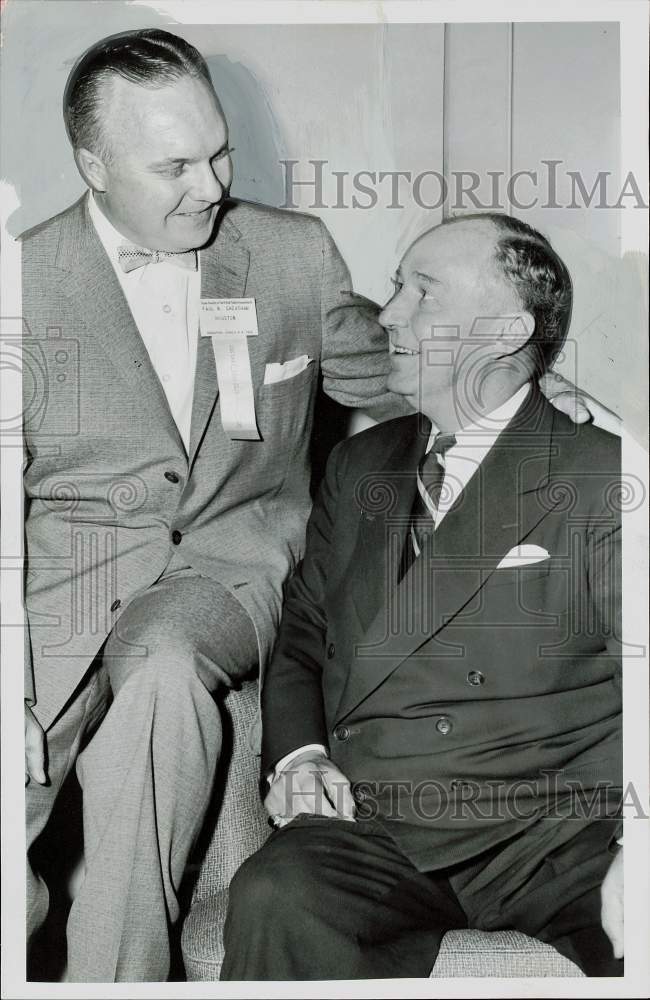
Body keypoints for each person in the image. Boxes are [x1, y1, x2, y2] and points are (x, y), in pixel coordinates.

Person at [21, 27, 606, 983]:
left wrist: (534, 384)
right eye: (175, 165)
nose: (210, 186)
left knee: (164, 673)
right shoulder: (19, 283)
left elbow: (396, 356)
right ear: (92, 164)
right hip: (62, 599)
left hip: (224, 575)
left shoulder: (290, 253)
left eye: (219, 152)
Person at [221, 213, 624, 980]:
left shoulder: (601, 475)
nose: (389, 313)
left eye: (422, 292)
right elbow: (304, 635)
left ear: (507, 332)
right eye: (399, 285)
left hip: (556, 835)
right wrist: (300, 753)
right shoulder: (358, 464)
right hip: (385, 825)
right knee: (278, 891)